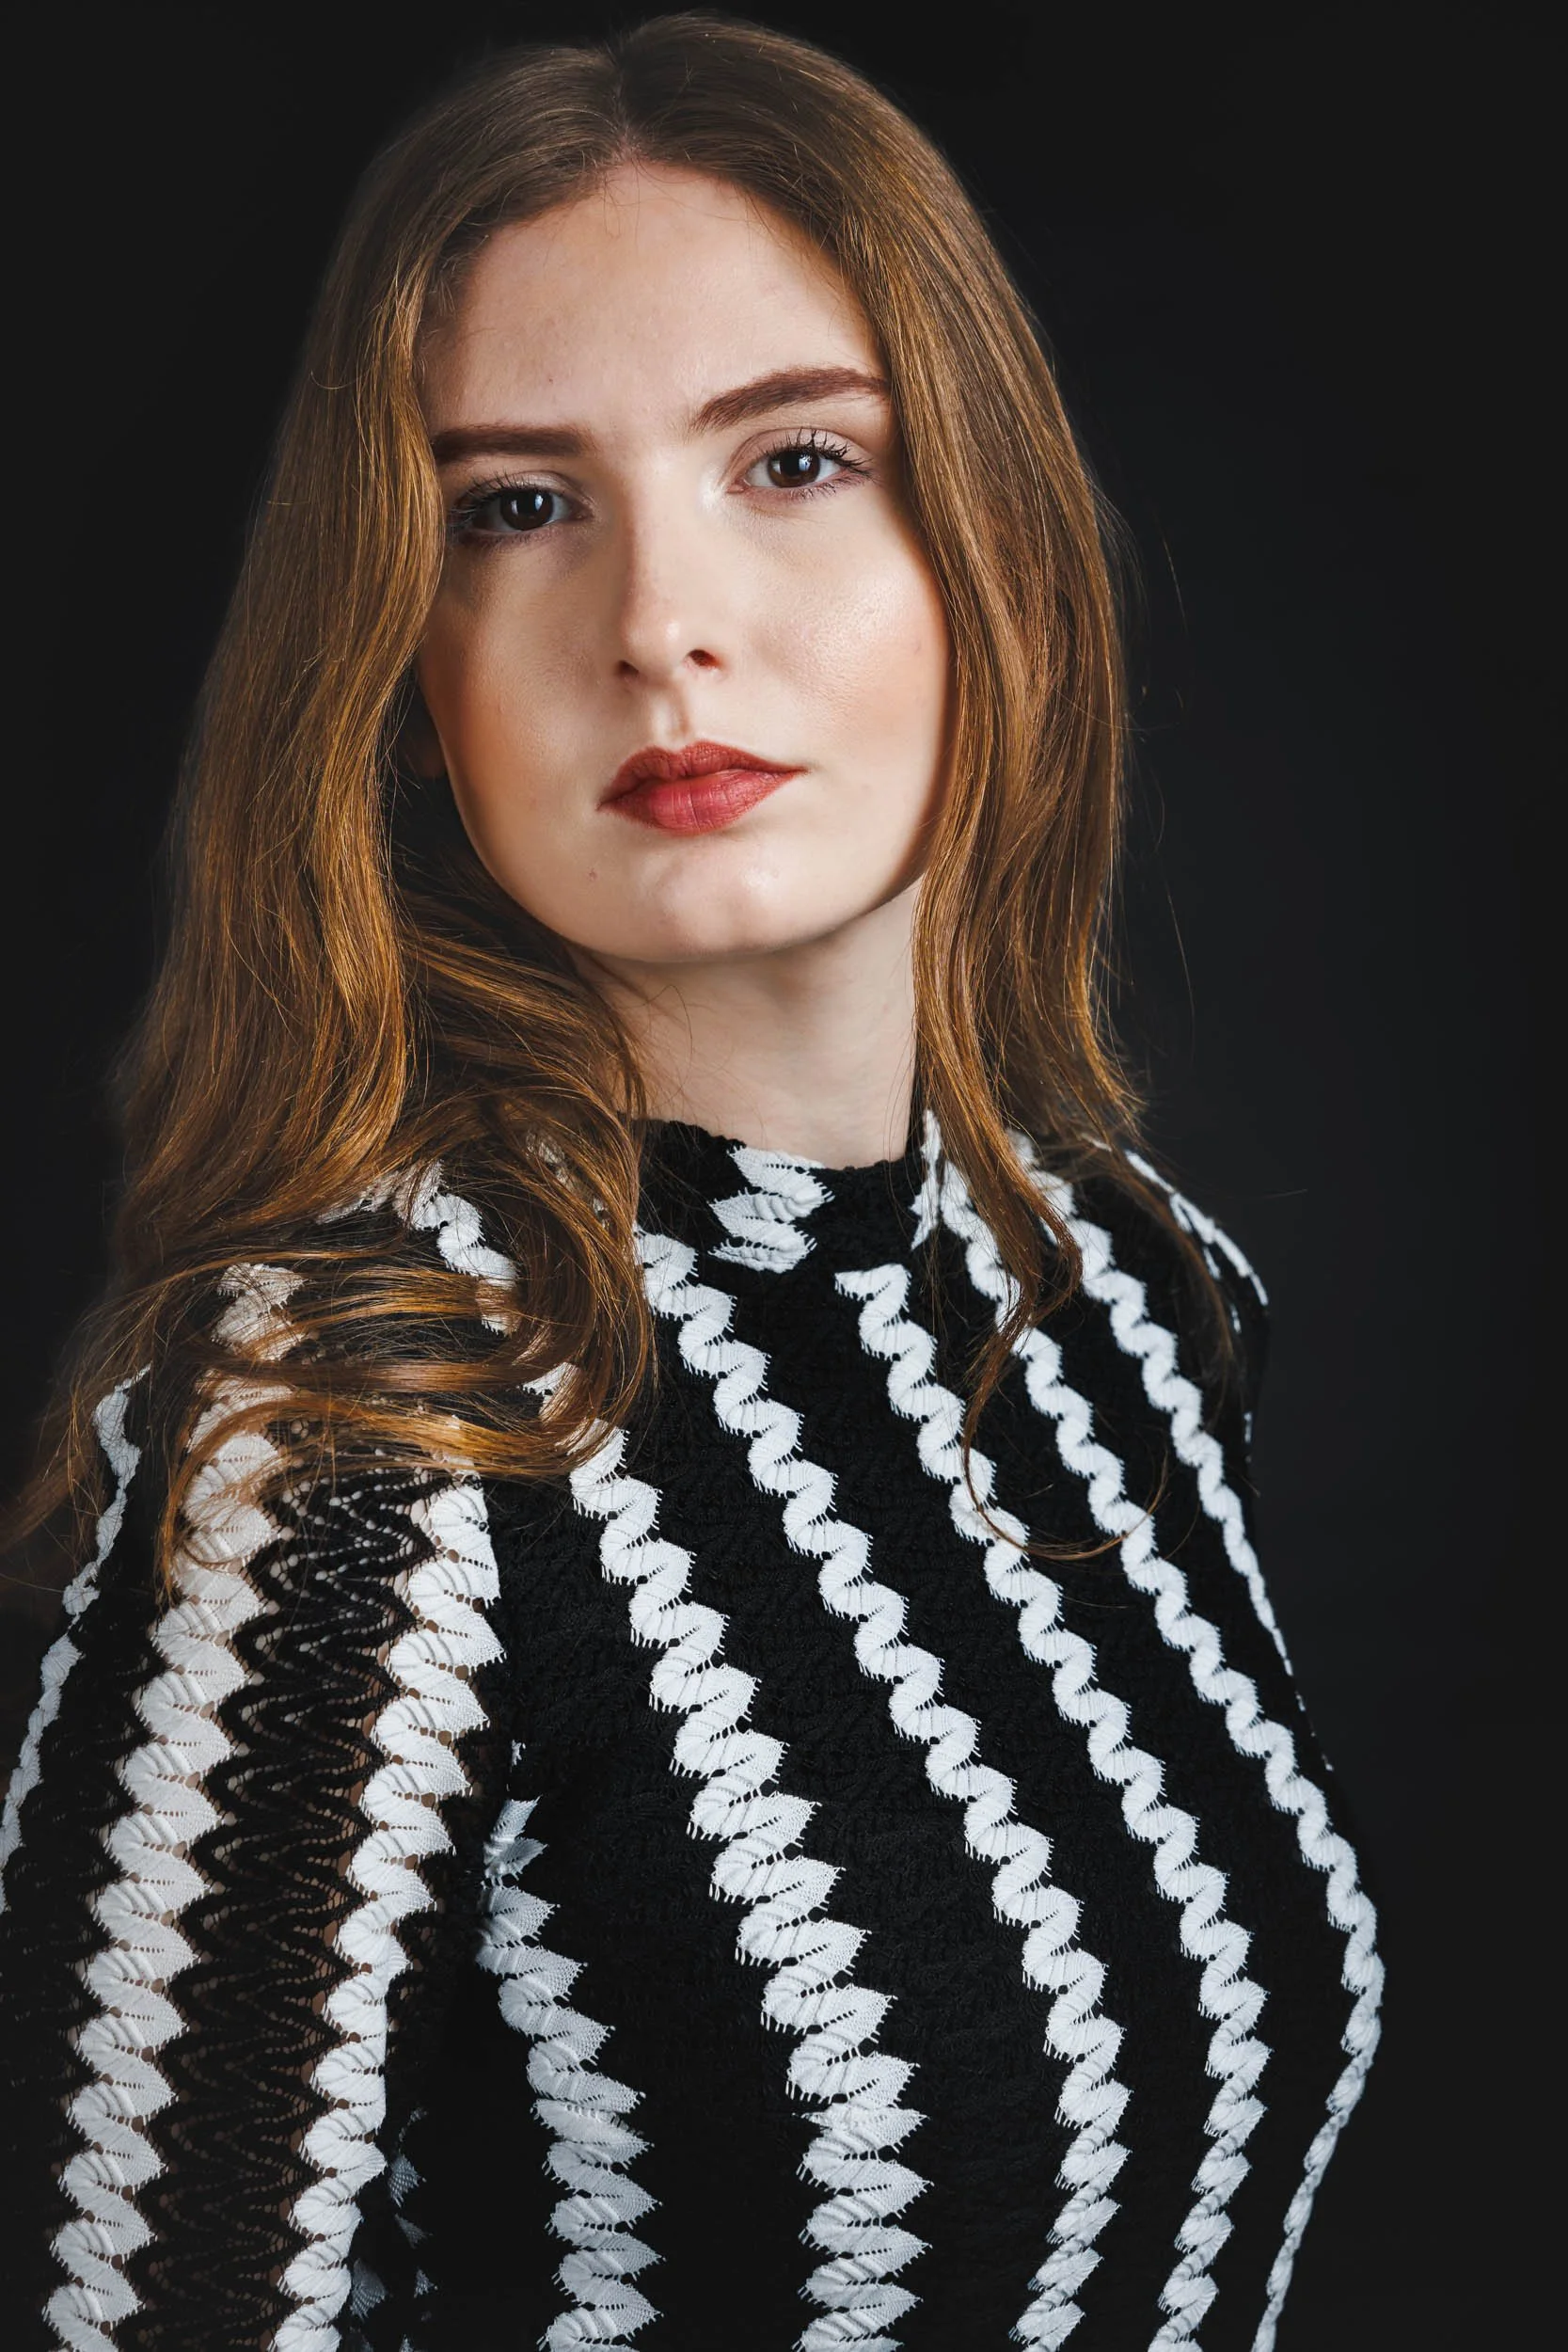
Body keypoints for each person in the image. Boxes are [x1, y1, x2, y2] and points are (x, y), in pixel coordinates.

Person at [0, 16, 1382, 2350]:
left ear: (992, 546)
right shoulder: (358, 1421)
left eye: (796, 460)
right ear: (401, 653)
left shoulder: (1138, 1290)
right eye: (514, 506)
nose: (656, 621)